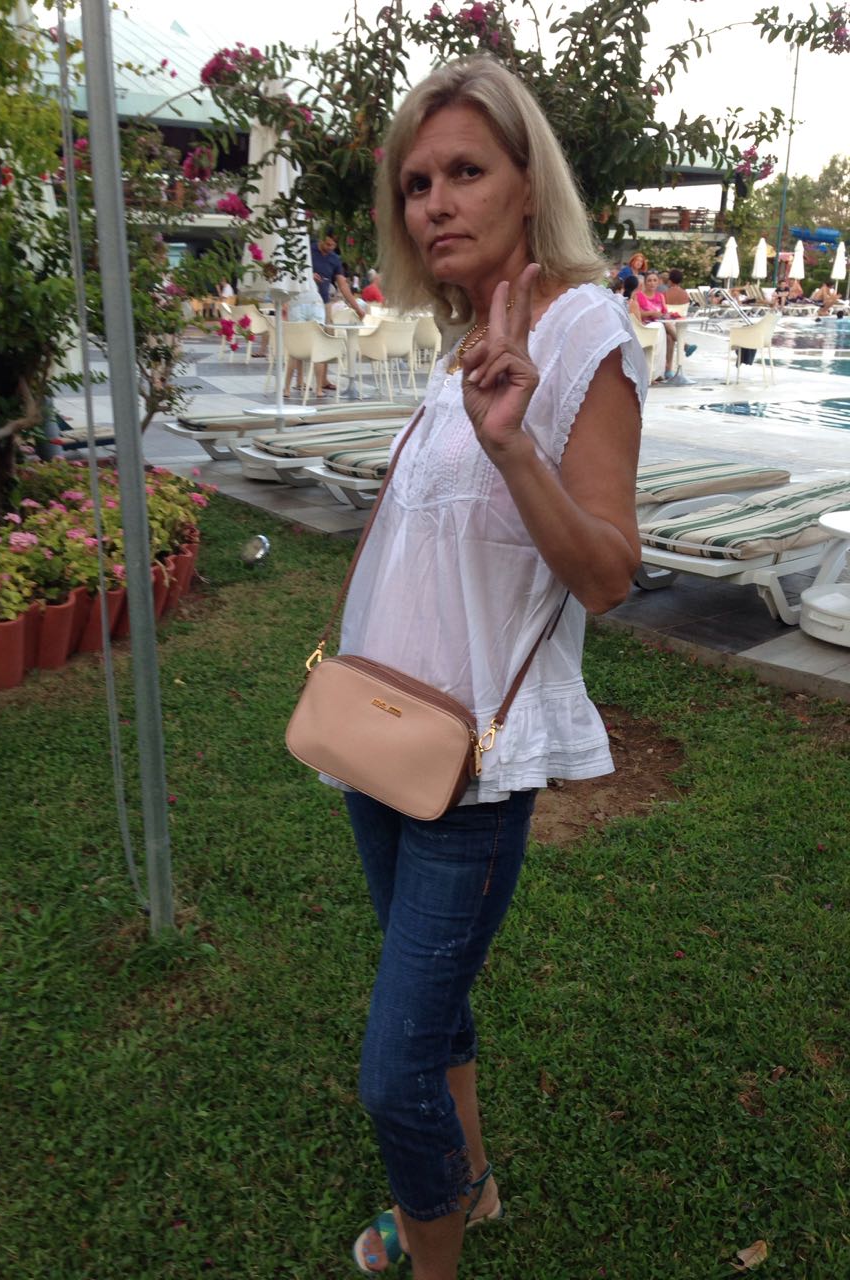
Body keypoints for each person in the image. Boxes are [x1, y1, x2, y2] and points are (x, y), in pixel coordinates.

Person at [338, 56, 644, 1278]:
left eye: (466, 170)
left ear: (529, 182)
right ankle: (474, 1184)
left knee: (395, 1063)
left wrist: (513, 448)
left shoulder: (583, 333)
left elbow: (609, 574)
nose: (435, 203)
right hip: (378, 731)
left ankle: (437, 1257)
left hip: (471, 762)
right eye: (416, 184)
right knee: (438, 1006)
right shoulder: (464, 339)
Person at [311, 228, 367, 389]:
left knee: (327, 339)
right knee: (307, 340)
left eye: (333, 245)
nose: (330, 248)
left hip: (324, 303)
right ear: (322, 239)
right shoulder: (309, 250)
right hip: (307, 302)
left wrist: (357, 308)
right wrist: (308, 275)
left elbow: (343, 285)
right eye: (327, 244)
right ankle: (300, 381)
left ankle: (323, 380)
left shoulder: (335, 259)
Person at [633, 269, 680, 376]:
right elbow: (636, 313)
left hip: (661, 325)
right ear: (645, 283)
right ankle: (683, 344)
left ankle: (668, 369)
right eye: (649, 280)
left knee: (669, 337)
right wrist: (651, 313)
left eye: (655, 280)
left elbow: (664, 312)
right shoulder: (638, 296)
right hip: (646, 326)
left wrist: (666, 315)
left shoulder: (660, 296)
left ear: (658, 282)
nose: (652, 283)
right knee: (667, 327)